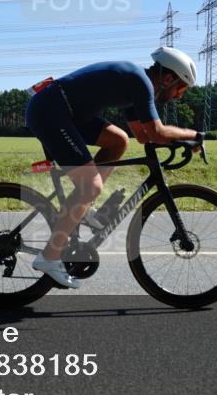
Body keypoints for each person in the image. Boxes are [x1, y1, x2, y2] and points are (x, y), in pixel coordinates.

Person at [24, 47, 200, 289]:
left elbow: (142, 135)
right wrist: (193, 136)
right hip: (51, 113)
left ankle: (83, 207)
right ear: (168, 78)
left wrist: (176, 139)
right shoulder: (140, 82)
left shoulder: (136, 84)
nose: (179, 96)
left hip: (65, 113)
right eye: (180, 88)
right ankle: (49, 257)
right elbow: (156, 132)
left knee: (118, 141)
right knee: (90, 186)